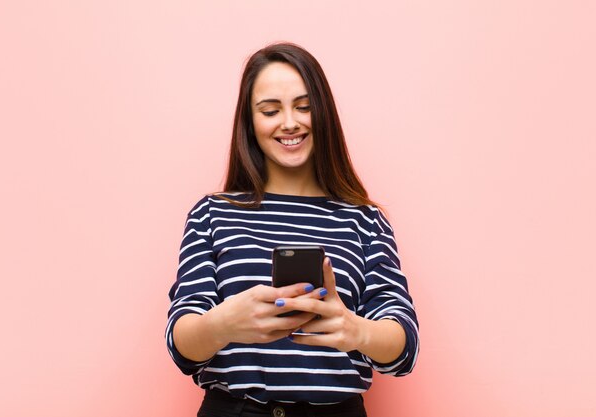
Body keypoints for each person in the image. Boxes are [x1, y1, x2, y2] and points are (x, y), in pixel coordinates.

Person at [166, 42, 419, 417]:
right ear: (250, 122)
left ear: (324, 113)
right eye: (270, 110)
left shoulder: (364, 219)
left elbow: (404, 346)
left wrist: (355, 330)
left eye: (304, 107)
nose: (289, 122)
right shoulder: (212, 213)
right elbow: (180, 343)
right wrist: (223, 324)